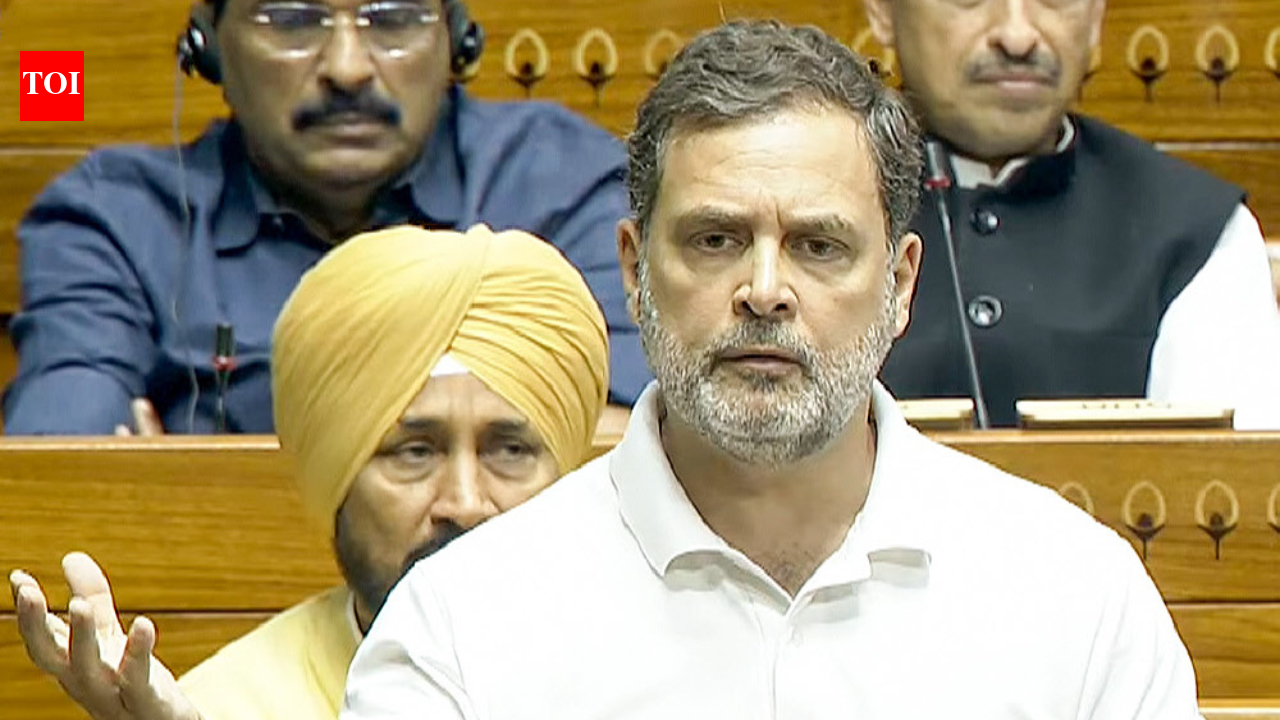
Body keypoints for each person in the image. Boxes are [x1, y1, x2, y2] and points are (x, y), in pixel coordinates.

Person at [340, 21, 1202, 720]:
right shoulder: (460, 624)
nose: (763, 291)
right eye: (715, 240)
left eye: (818, 246)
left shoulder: (1074, 595)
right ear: (635, 272)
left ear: (900, 285)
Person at [9, 224, 610, 720]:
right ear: (337, 476)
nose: (466, 502)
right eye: (414, 453)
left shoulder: (671, 675)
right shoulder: (219, 708)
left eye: (509, 451)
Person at [2, 0, 645, 435]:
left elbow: (638, 440)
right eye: (292, 19)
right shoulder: (114, 217)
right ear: (208, 49)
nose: (347, 68)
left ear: (455, 39)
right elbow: (64, 459)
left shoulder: (562, 181)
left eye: (391, 18)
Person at [862, 0, 1280, 429]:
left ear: (1097, 16)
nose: (1018, 36)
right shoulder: (803, 207)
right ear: (883, 12)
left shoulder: (1197, 234)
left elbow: (1223, 480)